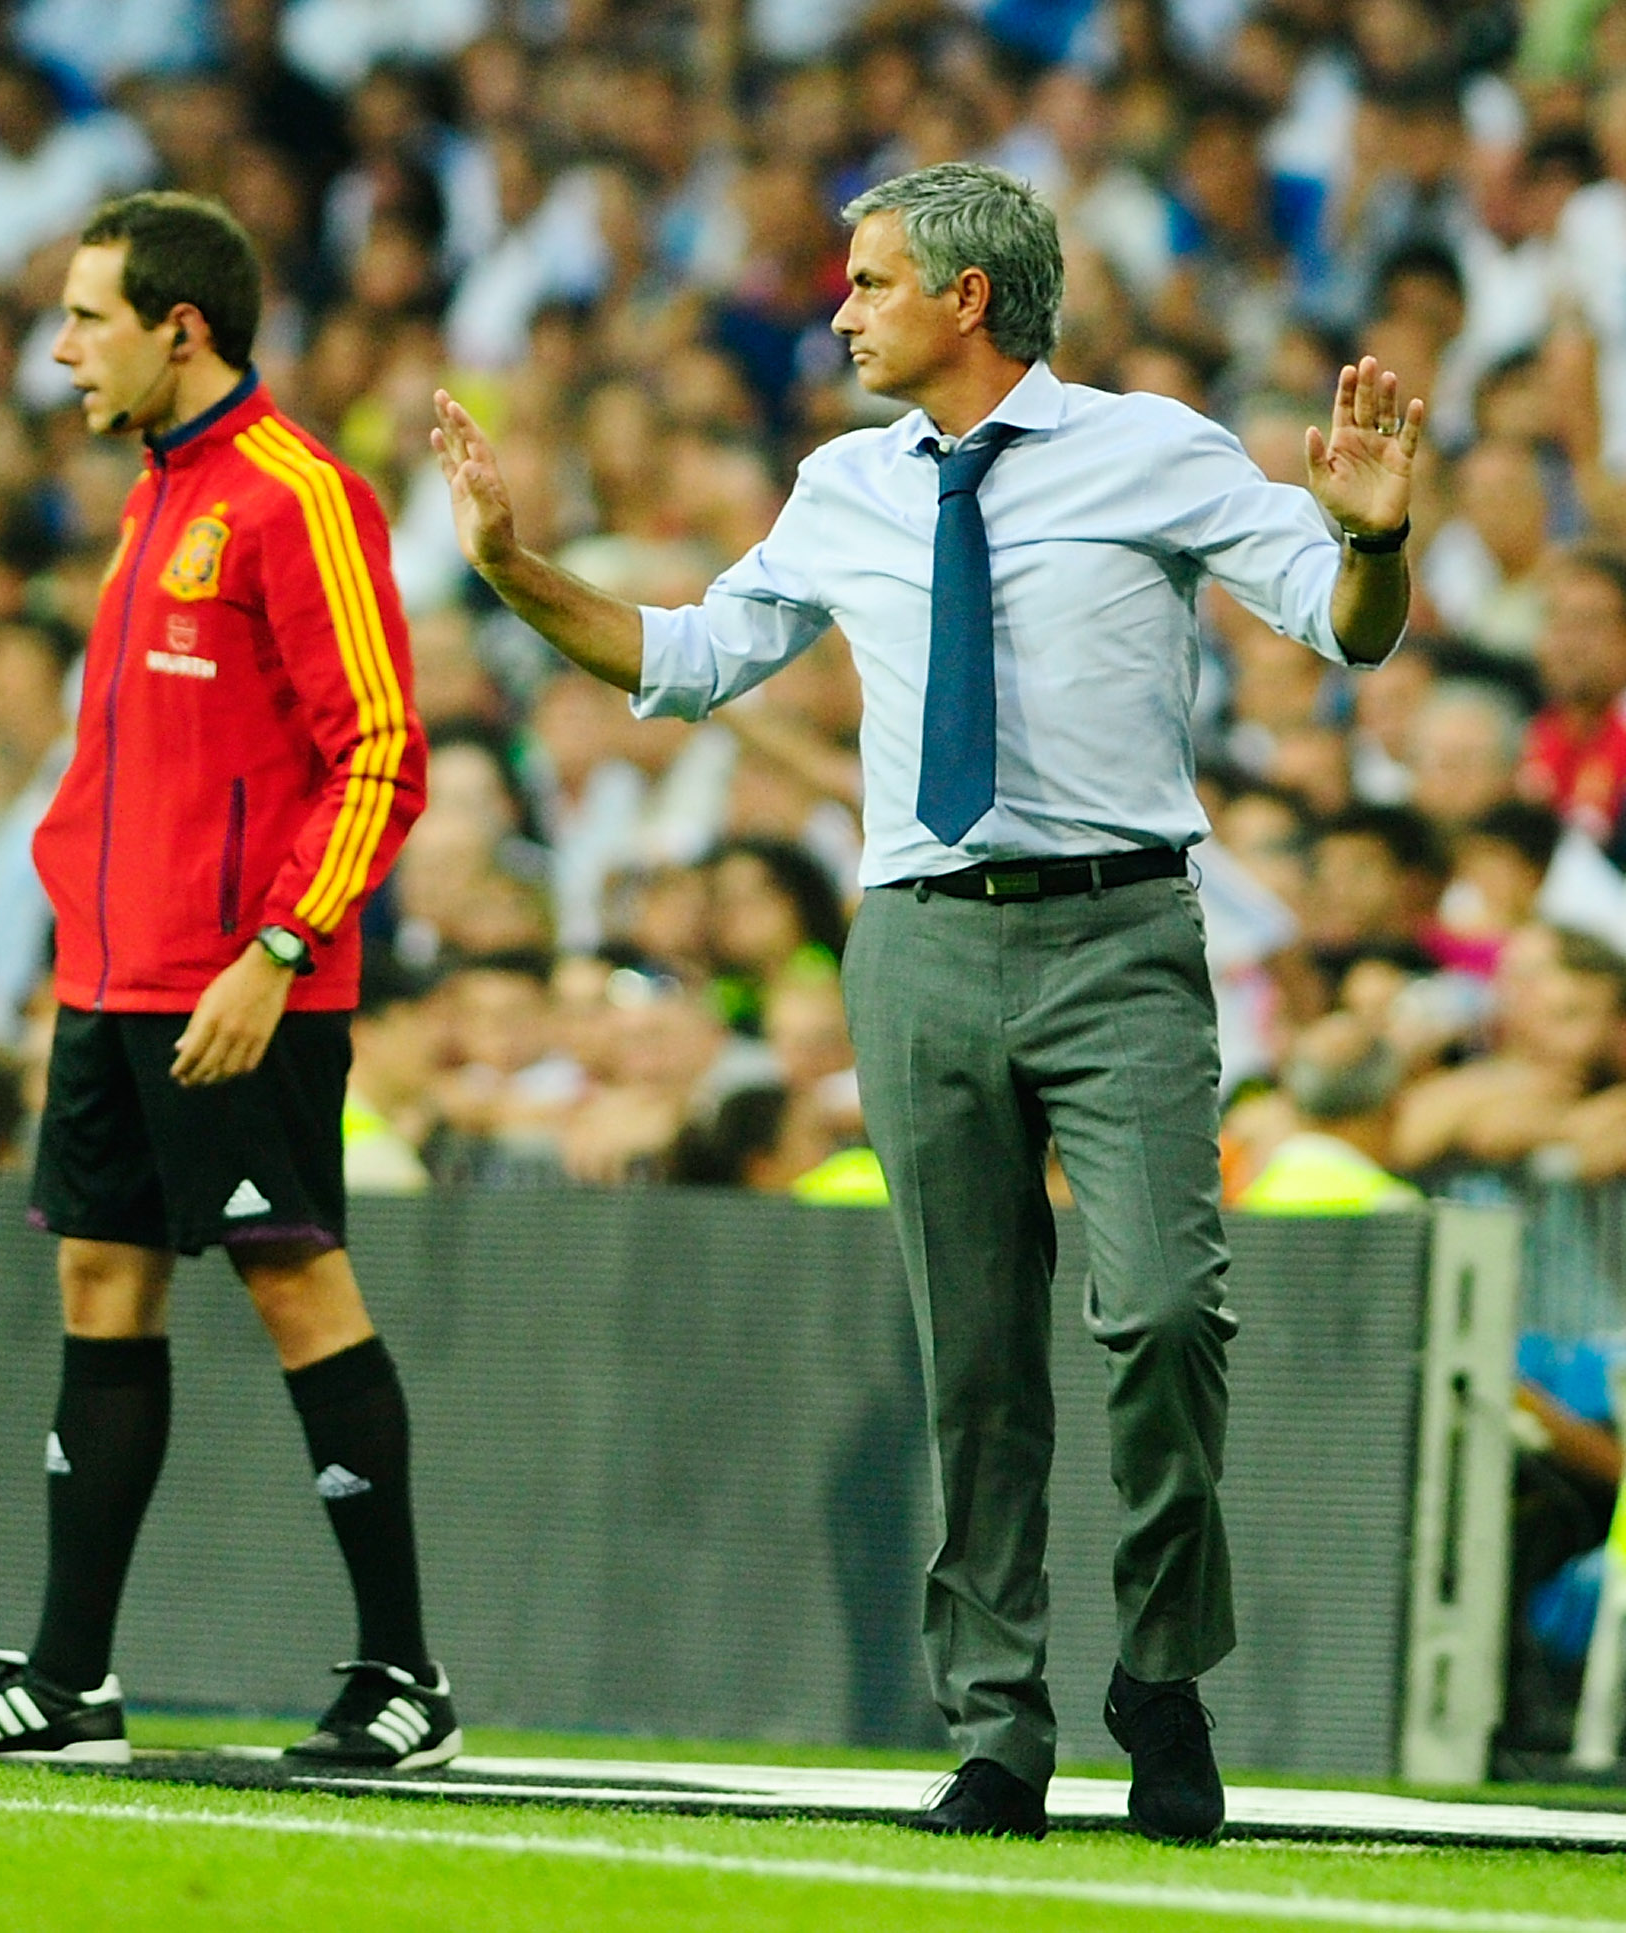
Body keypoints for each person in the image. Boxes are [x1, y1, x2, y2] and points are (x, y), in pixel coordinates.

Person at [431, 161, 1421, 1844]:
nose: (840, 308)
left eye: (871, 280)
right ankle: (1000, 1727)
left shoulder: (1154, 449)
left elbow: (1349, 629)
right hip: (919, 943)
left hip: (1119, 940)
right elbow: (685, 657)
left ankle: (1160, 1672)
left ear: (968, 298)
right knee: (973, 1361)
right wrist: (516, 568)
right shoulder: (841, 486)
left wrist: (1378, 536)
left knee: (1168, 1314)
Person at [0, 192, 448, 1770]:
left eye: (86, 317)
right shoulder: (151, 496)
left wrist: (275, 948)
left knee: (295, 1282)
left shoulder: (294, 492)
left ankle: (404, 1677)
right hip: (113, 981)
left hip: (239, 983)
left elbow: (383, 753)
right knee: (101, 1288)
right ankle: (71, 1681)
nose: (59, 347)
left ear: (178, 326)